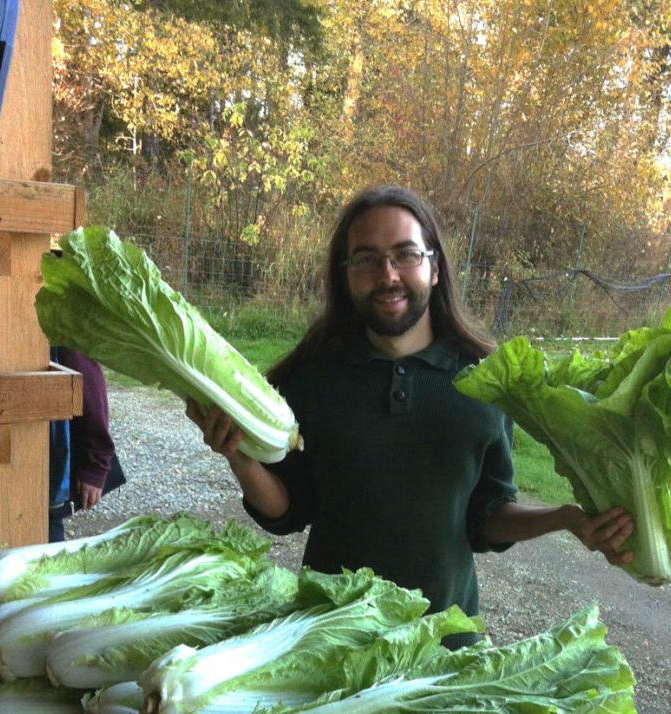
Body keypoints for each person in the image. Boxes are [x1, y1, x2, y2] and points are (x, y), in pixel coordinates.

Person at [186, 184, 634, 624]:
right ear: (345, 275)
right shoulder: (311, 379)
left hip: (444, 650)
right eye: (366, 259)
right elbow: (287, 510)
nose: (388, 274)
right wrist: (240, 457)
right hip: (327, 640)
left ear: (434, 268)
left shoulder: (486, 381)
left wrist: (565, 519)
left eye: (406, 254)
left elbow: (486, 517)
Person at [49, 346, 125, 542]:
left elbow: (91, 391)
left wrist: (96, 465)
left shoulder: (60, 336)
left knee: (47, 525)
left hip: (50, 463)